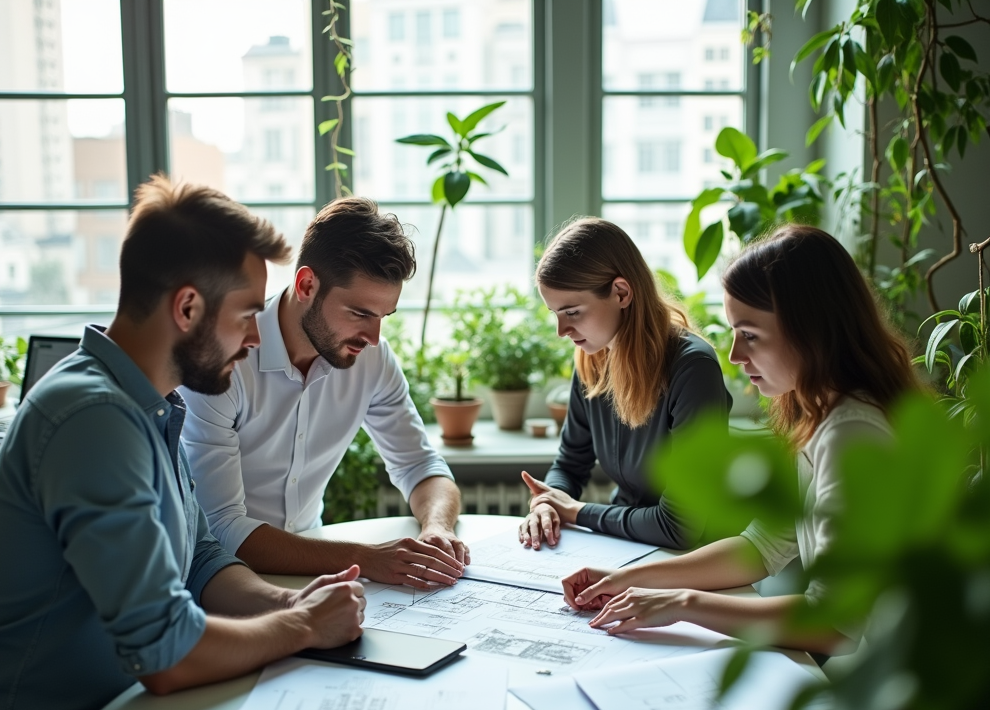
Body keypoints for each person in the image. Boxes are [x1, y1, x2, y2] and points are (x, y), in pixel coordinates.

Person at [0, 176, 366, 710]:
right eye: (247, 314)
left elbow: (201, 558)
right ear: (187, 308)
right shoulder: (93, 418)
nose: (255, 338)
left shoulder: (149, 404)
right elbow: (165, 652)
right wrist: (302, 627)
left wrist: (285, 603)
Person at [561, 224, 921, 655]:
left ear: (812, 330)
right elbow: (760, 548)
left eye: (749, 335)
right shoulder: (817, 415)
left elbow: (833, 625)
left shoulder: (853, 434)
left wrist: (683, 604)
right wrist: (626, 578)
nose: (734, 355)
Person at [180, 197, 468, 590]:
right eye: (359, 313)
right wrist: (366, 558)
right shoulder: (225, 358)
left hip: (315, 568)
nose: (373, 338)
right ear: (306, 285)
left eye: (383, 317)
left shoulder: (371, 357)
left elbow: (421, 466)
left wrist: (437, 526)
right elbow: (223, 528)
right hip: (224, 581)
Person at [518, 217, 732, 550]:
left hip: (693, 557)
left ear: (621, 292)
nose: (561, 331)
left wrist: (575, 512)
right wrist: (547, 503)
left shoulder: (693, 368)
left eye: (572, 312)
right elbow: (570, 463)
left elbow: (680, 525)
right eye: (555, 314)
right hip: (628, 545)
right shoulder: (593, 358)